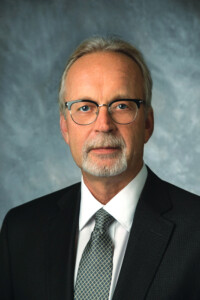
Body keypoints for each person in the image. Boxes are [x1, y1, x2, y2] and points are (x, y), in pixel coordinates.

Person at [0, 37, 200, 300]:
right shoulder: (20, 231)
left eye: (121, 106)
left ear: (148, 124)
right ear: (65, 128)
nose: (103, 125)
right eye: (85, 107)